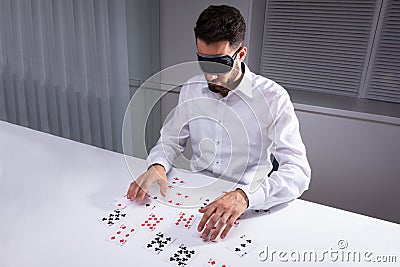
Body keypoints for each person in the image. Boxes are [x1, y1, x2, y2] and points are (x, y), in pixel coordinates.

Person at [127, 5, 311, 241]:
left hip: (247, 205)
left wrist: (245, 196)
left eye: (219, 64)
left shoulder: (273, 98)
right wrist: (158, 165)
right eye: (203, 62)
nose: (210, 76)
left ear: (241, 54)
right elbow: (170, 141)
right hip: (193, 198)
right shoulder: (191, 89)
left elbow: (298, 172)